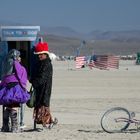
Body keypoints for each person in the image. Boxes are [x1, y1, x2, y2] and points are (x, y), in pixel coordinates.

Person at [0, 49, 30, 132]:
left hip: (6, 88)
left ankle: (5, 126)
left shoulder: (5, 64)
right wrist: (23, 87)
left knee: (7, 107)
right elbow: (21, 75)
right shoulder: (16, 63)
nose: (19, 58)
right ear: (15, 56)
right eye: (18, 56)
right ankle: (15, 127)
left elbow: (3, 77)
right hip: (15, 88)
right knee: (14, 106)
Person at [30, 41, 57, 129]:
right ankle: (50, 122)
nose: (39, 56)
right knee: (41, 107)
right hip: (40, 90)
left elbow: (42, 78)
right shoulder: (41, 63)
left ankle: (50, 122)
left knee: (43, 107)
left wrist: (33, 81)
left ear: (45, 54)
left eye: (41, 54)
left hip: (44, 90)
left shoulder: (47, 64)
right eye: (38, 54)